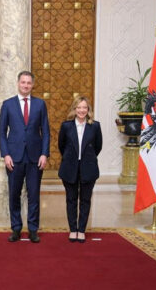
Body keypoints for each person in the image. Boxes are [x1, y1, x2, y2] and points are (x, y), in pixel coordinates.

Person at [0, 70, 50, 243]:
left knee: (34, 195)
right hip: (14, 157)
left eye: (29, 83)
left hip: (35, 158)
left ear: (32, 85)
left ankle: (33, 229)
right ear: (18, 83)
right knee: (14, 194)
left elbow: (46, 132)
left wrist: (44, 153)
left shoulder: (40, 104)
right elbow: (1, 133)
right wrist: (5, 154)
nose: (26, 85)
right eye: (23, 82)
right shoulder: (7, 104)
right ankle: (16, 228)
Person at [58, 96, 102, 243]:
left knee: (85, 200)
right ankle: (73, 229)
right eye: (79, 107)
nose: (82, 110)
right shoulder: (66, 126)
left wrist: (86, 158)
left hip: (88, 168)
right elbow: (61, 146)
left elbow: (98, 147)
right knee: (71, 200)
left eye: (84, 107)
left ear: (88, 110)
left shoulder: (95, 126)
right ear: (74, 109)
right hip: (69, 168)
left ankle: (81, 230)